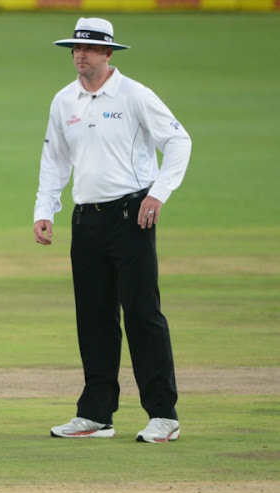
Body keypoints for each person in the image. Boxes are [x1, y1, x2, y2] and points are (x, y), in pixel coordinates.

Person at [33, 18, 191, 443]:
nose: (79, 55)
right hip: (86, 220)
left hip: (131, 216)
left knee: (142, 314)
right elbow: (55, 160)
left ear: (108, 54)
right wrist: (44, 209)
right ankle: (97, 414)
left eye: (88, 49)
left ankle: (163, 414)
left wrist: (157, 194)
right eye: (75, 49)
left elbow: (179, 142)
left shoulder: (134, 94)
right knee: (94, 318)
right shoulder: (64, 100)